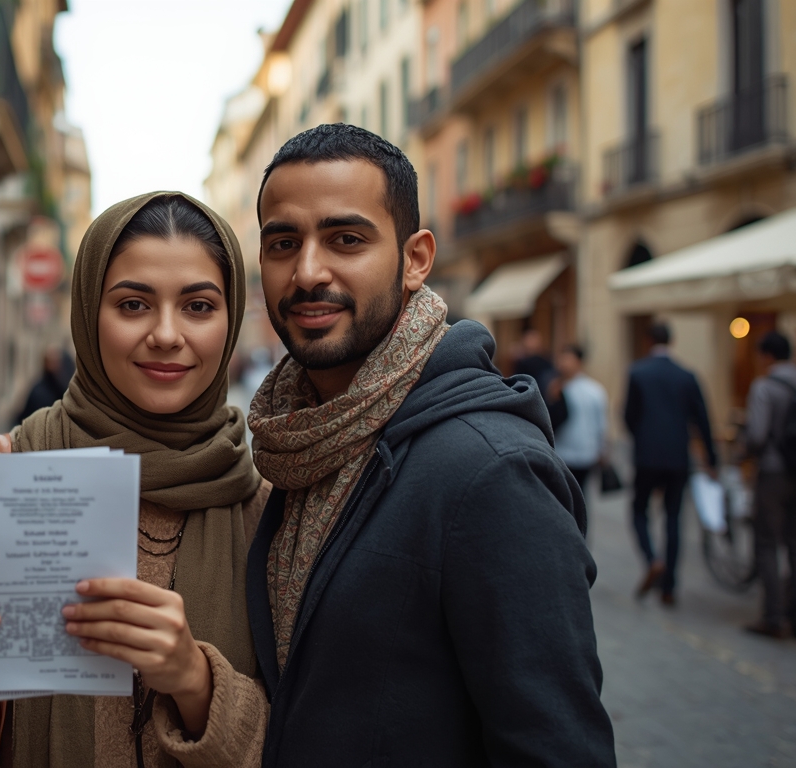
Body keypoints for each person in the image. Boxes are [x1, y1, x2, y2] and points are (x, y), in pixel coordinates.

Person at [246, 123, 614, 766]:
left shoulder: (492, 470)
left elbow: (557, 745)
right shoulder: (297, 446)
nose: (307, 272)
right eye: (284, 243)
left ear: (415, 258)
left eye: (346, 239)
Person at [0, 193, 271, 768]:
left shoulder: (263, 505)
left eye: (198, 306)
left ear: (231, 319)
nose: (166, 334)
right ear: (89, 313)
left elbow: (298, 729)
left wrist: (195, 680)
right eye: (134, 304)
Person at [623, 322, 718, 606]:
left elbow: (628, 416)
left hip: (647, 456)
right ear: (672, 340)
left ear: (648, 340)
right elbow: (703, 420)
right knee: (674, 517)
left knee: (639, 509)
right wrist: (711, 459)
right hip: (678, 456)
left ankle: (653, 560)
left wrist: (642, 439)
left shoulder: (638, 372)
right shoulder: (687, 375)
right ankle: (670, 586)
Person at [741, 331, 796, 639]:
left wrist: (743, 456)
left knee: (767, 543)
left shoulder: (765, 386)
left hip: (774, 472)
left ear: (767, 356)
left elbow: (757, 434)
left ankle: (773, 617)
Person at [552, 345, 609, 506]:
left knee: (580, 497)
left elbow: (601, 422)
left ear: (579, 362)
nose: (563, 363)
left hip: (585, 453)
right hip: (562, 451)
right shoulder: (556, 388)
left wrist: (603, 448)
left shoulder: (593, 390)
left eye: (567, 358)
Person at [12, 345, 75, 425]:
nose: (54, 365)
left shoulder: (65, 388)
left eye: (56, 362)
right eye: (51, 362)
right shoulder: (38, 392)